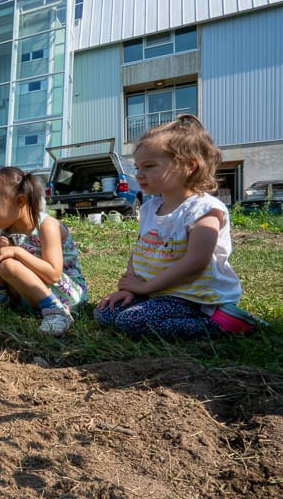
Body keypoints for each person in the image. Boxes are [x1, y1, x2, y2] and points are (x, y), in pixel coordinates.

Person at [94, 115, 261, 339]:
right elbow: (140, 248)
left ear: (189, 166)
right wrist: (128, 287)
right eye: (137, 167)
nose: (139, 174)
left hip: (193, 298)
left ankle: (223, 324)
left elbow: (196, 262)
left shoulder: (204, 209)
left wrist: (145, 288)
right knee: (105, 312)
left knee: (130, 322)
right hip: (157, 292)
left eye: (149, 166)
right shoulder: (148, 208)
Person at [0, 167, 88, 336]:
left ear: (20, 201)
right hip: (29, 290)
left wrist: (18, 252)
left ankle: (56, 312)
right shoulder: (7, 229)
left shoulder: (47, 226)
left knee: (8, 263)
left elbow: (53, 274)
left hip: (61, 293)